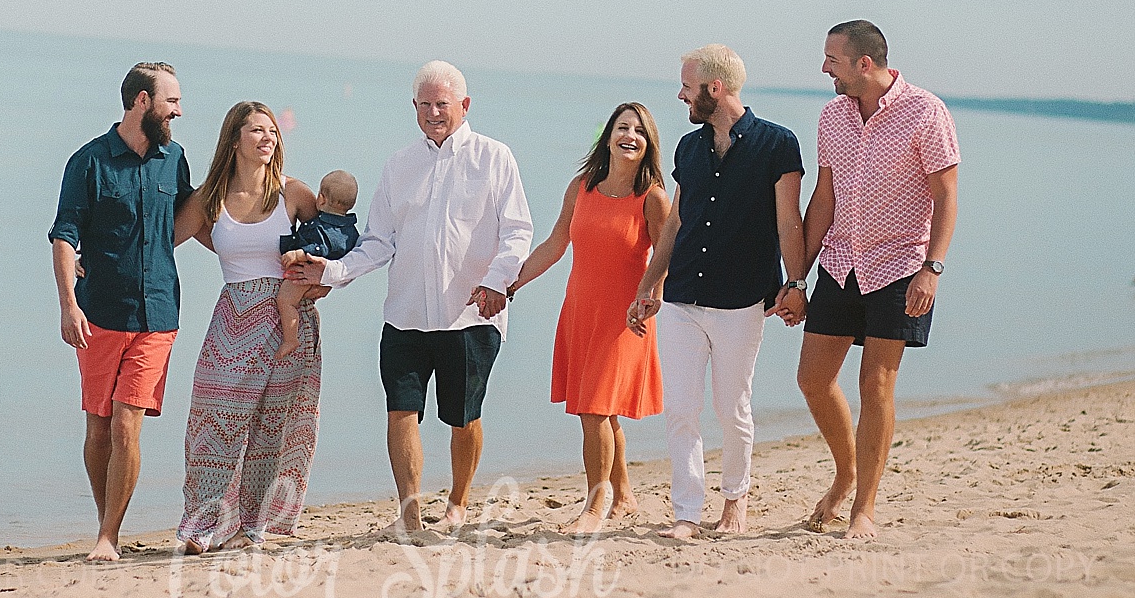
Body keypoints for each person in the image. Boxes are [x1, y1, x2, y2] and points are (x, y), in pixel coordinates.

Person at [287, 60, 533, 532]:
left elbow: (518, 232)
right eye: (425, 105)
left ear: (464, 105)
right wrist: (333, 270)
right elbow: (379, 241)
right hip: (405, 314)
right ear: (414, 108)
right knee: (401, 409)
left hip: (470, 316)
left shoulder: (494, 157)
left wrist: (497, 282)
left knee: (464, 418)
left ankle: (458, 504)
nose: (434, 113)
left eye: (443, 104)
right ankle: (410, 514)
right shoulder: (400, 164)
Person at [630, 45, 806, 539]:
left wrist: (795, 283)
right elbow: (677, 224)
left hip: (742, 300)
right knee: (682, 409)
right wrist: (648, 286)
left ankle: (735, 503)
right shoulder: (688, 148)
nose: (681, 94)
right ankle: (686, 512)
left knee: (733, 408)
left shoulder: (778, 144)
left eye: (687, 86)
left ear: (715, 88)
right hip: (683, 298)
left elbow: (788, 222)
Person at [796, 20, 960, 540]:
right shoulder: (832, 117)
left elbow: (946, 195)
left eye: (832, 59)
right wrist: (796, 276)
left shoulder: (926, 111)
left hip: (900, 267)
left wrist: (931, 269)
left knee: (877, 384)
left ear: (864, 63)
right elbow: (824, 198)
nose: (825, 68)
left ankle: (863, 507)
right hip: (840, 263)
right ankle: (845, 473)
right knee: (813, 379)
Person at [48, 62, 191, 561]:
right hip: (100, 313)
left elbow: (194, 219)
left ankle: (109, 536)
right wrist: (68, 304)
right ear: (142, 103)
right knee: (100, 426)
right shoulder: (88, 162)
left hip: (158, 314)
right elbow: (65, 234)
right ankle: (104, 520)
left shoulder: (175, 160)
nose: (179, 110)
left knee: (129, 422)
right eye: (171, 101)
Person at [508, 103, 670, 534]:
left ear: (648, 143)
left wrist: (651, 295)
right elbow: (555, 244)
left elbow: (668, 254)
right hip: (580, 312)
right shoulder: (581, 187)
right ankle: (625, 496)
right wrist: (509, 284)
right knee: (605, 411)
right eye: (622, 128)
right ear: (609, 136)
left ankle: (594, 507)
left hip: (625, 318)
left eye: (639, 130)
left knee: (595, 411)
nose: (629, 136)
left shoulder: (652, 198)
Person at [172, 101, 324, 553]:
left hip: (288, 320)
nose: (266, 139)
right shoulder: (207, 199)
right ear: (234, 139)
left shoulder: (294, 194)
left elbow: (330, 250)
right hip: (233, 319)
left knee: (274, 427)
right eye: (256, 130)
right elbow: (161, 241)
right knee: (213, 421)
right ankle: (203, 525)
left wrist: (317, 289)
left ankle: (254, 525)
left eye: (272, 131)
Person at [276, 169, 360, 357]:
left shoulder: (323, 228)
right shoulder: (349, 230)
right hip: (323, 277)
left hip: (305, 273)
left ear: (321, 199)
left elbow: (318, 248)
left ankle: (290, 339)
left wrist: (298, 253)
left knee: (285, 301)